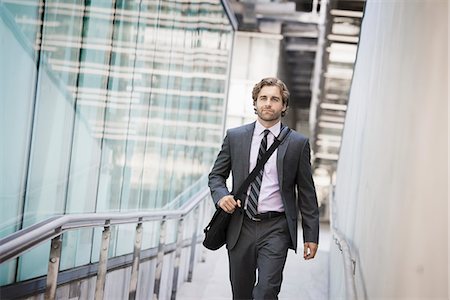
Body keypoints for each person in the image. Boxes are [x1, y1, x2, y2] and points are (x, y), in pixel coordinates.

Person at [208, 77, 320, 299]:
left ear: (284, 106)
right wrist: (222, 197)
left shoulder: (298, 144)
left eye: (275, 99)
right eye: (263, 98)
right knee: (241, 293)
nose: (268, 103)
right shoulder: (235, 137)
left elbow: (307, 192)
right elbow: (216, 176)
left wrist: (311, 235)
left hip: (276, 228)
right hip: (241, 226)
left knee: (267, 290)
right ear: (255, 103)